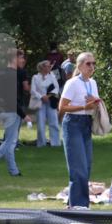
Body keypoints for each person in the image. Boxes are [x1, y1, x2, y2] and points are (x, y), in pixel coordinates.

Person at [58, 52, 100, 208]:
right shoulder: (72, 83)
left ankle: (73, 203)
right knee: (78, 166)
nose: (92, 67)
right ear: (80, 65)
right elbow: (61, 108)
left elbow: (94, 104)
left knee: (86, 165)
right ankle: (79, 205)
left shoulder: (93, 83)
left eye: (93, 63)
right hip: (73, 123)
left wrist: (95, 104)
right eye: (88, 64)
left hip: (86, 123)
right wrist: (84, 106)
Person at [0, 48, 29, 178]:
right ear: (14, 58)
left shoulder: (2, 73)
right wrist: (23, 114)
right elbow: (11, 97)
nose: (23, 60)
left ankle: (14, 171)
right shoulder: (12, 75)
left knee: (10, 142)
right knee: (10, 141)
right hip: (12, 111)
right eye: (21, 57)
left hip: (4, 110)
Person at [30, 60, 61, 147]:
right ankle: (41, 143)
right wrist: (41, 97)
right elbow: (33, 90)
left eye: (49, 66)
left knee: (54, 122)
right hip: (40, 102)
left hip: (51, 101)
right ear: (42, 67)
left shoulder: (52, 76)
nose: (49, 67)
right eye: (47, 66)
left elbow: (57, 88)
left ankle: (55, 143)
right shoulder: (35, 77)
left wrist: (48, 96)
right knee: (40, 123)